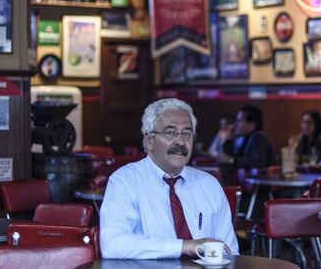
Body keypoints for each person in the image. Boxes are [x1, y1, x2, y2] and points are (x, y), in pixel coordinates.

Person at [100, 98, 239, 259]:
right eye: (170, 133)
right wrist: (183, 246)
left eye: (187, 133)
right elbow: (112, 245)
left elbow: (230, 252)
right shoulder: (125, 181)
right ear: (149, 140)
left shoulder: (209, 185)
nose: (181, 141)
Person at [219, 105, 276, 169]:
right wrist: (228, 140)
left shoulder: (259, 137)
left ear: (252, 124)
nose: (235, 124)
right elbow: (228, 161)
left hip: (263, 178)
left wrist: (231, 160)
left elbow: (258, 162)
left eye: (240, 121)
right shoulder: (244, 138)